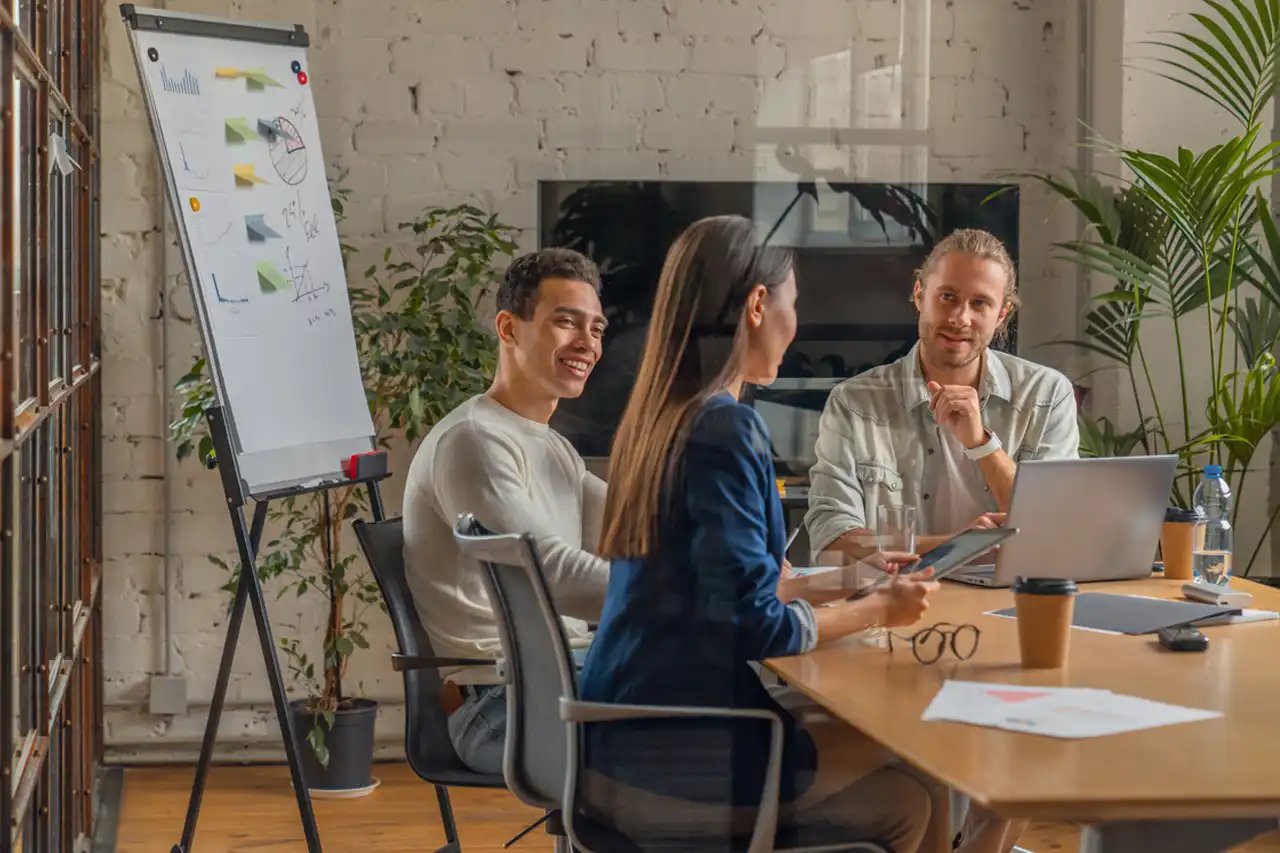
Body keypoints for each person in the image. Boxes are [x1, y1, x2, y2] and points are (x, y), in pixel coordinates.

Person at [578, 215, 948, 851]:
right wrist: (878, 609)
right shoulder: (725, 429)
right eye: (792, 304)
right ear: (756, 305)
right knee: (923, 774)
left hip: (620, 736)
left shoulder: (660, 419)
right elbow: (757, 624)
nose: (795, 324)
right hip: (681, 756)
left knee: (919, 767)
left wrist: (849, 581)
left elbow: (727, 590)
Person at [402, 248, 610, 775]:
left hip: (563, 678)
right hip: (502, 705)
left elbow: (634, 529)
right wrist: (690, 597)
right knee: (719, 733)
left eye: (596, 328)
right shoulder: (474, 440)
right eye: (566, 322)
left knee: (730, 700)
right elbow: (550, 575)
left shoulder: (553, 447)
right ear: (508, 328)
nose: (587, 342)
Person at [806, 228, 1079, 563]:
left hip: (1011, 594)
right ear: (920, 294)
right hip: (894, 594)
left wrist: (982, 445)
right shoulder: (854, 402)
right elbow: (831, 542)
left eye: (980, 303)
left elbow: (1056, 530)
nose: (959, 318)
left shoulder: (1046, 394)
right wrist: (955, 546)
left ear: (1002, 314)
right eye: (947, 296)